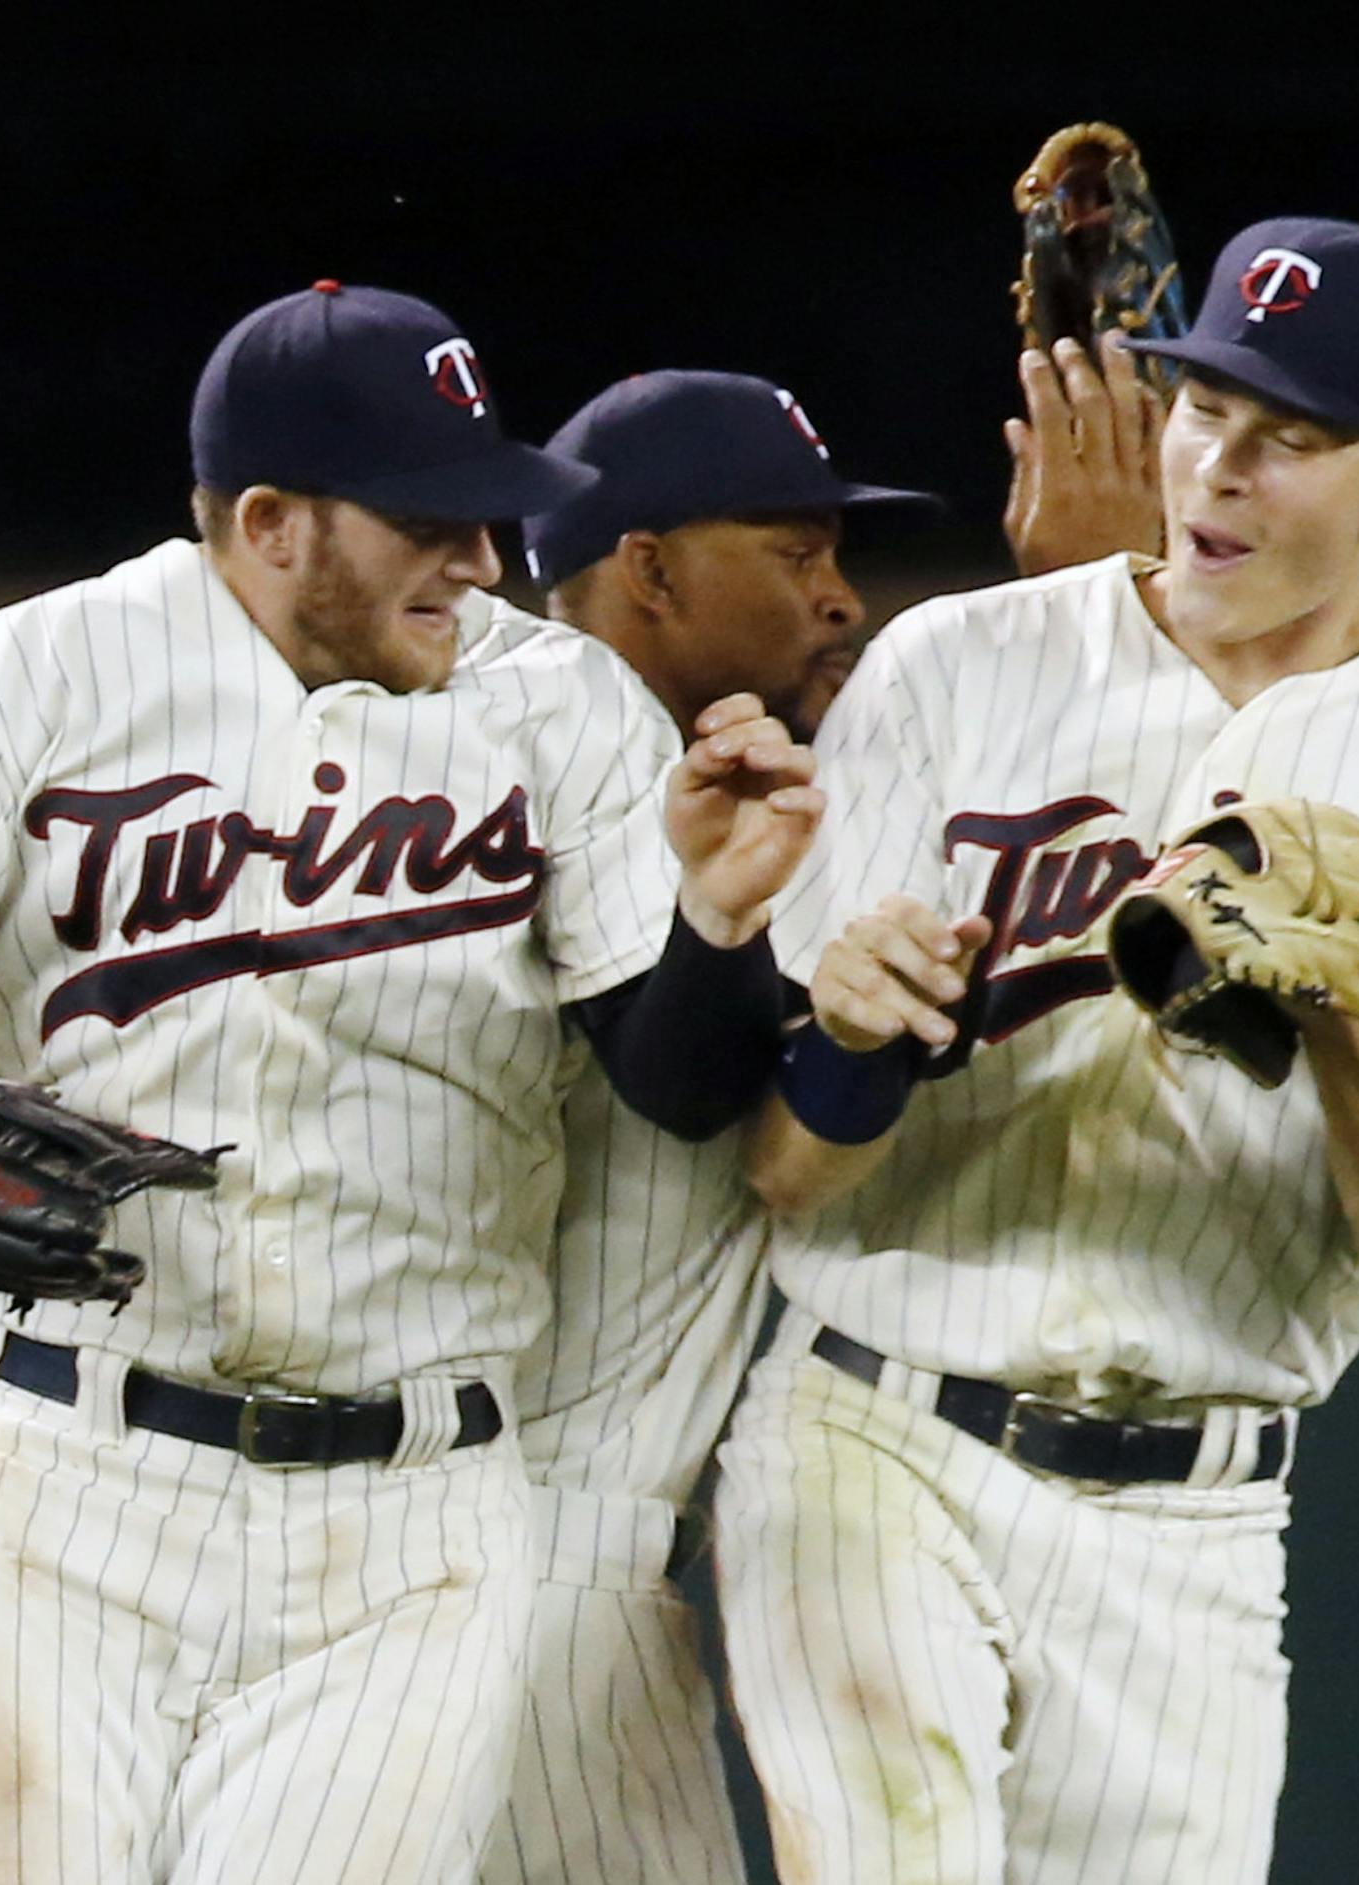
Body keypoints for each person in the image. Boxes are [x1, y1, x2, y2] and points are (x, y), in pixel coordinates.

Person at [0, 281, 821, 1885]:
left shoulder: (555, 706)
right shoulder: (38, 675)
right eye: (428, 517)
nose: (479, 556)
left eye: (486, 509)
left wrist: (722, 922)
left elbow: (679, 1083)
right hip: (71, 1482)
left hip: (417, 1518)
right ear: (271, 521)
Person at [713, 218, 1359, 1884]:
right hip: (871, 1442)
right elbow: (780, 1170)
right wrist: (852, 1034)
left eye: (1290, 439)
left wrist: (1345, 1012)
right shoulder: (958, 663)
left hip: (1195, 1526)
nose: (1220, 464)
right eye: (1207, 405)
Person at [479, 368, 938, 1885]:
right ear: (649, 567)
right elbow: (693, 1084)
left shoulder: (707, 780)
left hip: (461, 1535)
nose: (840, 598)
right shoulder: (559, 757)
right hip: (527, 1542)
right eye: (795, 553)